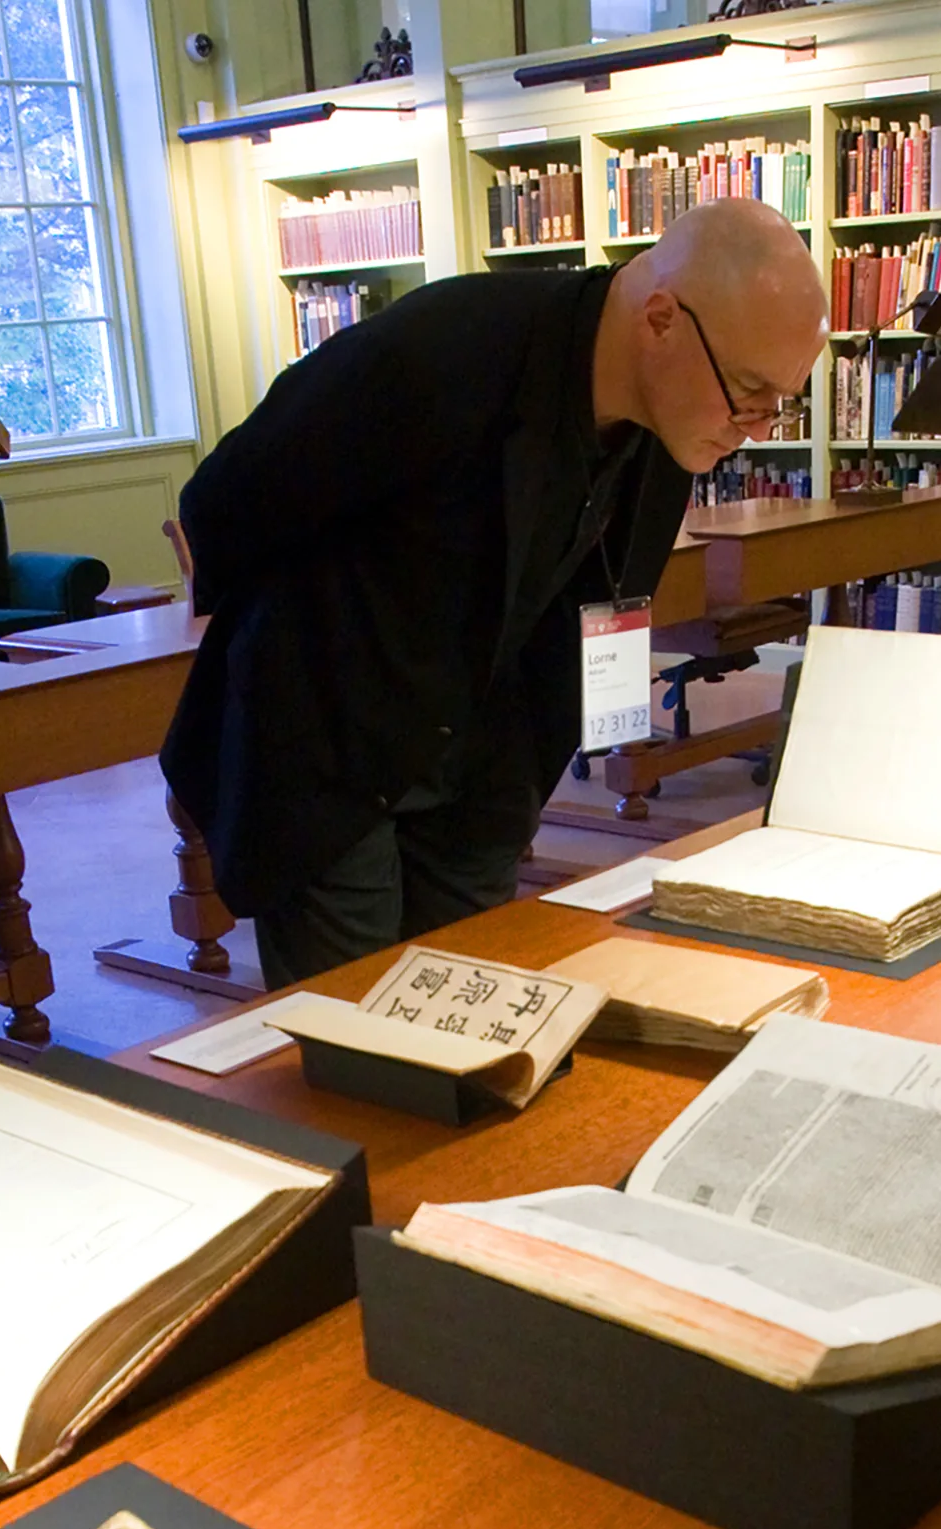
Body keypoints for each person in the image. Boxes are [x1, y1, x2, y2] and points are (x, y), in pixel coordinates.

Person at [162, 198, 828, 988]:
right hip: (331, 755)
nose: (757, 427)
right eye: (748, 392)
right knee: (356, 1047)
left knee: (459, 1025)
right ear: (660, 319)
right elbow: (226, 504)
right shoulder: (441, 352)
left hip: (480, 770)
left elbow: (591, 611)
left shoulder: (665, 429)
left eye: (779, 401)